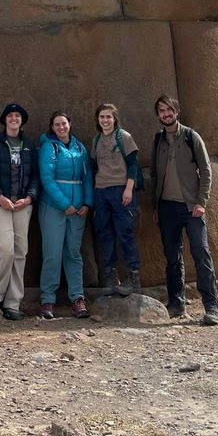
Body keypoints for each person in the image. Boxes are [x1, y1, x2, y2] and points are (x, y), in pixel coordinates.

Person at [150, 94, 218, 325]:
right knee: (172, 257)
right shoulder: (158, 140)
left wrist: (202, 202)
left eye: (169, 109)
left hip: (192, 207)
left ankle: (211, 306)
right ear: (158, 115)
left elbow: (206, 170)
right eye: (162, 110)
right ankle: (176, 303)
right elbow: (155, 175)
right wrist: (155, 206)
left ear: (177, 112)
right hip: (167, 207)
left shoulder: (191, 136)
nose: (166, 114)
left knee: (201, 253)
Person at [0, 103, 40, 321]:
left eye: (17, 116)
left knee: (20, 251)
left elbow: (35, 175)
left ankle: (13, 302)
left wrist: (30, 197)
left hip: (23, 204)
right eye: (10, 116)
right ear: (4, 119)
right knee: (4, 248)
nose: (14, 119)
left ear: (21, 120)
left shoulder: (29, 145)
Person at [37, 112, 93, 319]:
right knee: (52, 253)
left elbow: (87, 178)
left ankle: (77, 298)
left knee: (73, 252)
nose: (61, 127)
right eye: (57, 124)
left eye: (64, 123)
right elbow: (47, 179)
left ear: (70, 124)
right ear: (52, 127)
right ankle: (47, 300)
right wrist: (64, 204)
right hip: (53, 206)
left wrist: (87, 202)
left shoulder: (80, 149)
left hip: (78, 209)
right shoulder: (48, 147)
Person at [90, 102, 142, 296]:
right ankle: (111, 277)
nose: (105, 120)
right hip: (101, 191)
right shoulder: (96, 140)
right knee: (105, 233)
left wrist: (129, 189)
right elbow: (95, 165)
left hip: (121, 190)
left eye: (109, 117)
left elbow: (133, 165)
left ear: (114, 119)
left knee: (125, 233)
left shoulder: (124, 137)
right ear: (98, 120)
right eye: (102, 117)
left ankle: (133, 277)